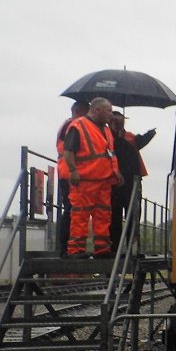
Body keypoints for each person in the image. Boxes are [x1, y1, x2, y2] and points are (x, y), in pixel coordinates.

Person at [61, 97, 122, 257]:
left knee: (103, 215)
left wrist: (116, 172)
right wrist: (73, 170)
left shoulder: (107, 130)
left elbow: (109, 153)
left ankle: (102, 249)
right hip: (84, 180)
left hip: (104, 180)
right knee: (80, 215)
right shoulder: (78, 126)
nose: (111, 115)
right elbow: (68, 151)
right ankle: (76, 250)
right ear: (96, 110)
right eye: (108, 111)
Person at [108, 110, 156, 251]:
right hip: (113, 182)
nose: (120, 123)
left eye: (121, 120)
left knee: (134, 216)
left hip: (132, 182)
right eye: (116, 121)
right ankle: (114, 248)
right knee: (114, 217)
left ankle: (133, 248)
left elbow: (138, 143)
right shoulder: (107, 137)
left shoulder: (130, 137)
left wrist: (149, 135)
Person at [55, 100, 89, 256]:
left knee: (72, 210)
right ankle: (65, 247)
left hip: (68, 171)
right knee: (71, 210)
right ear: (79, 111)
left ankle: (67, 247)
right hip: (69, 172)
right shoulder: (73, 126)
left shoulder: (68, 125)